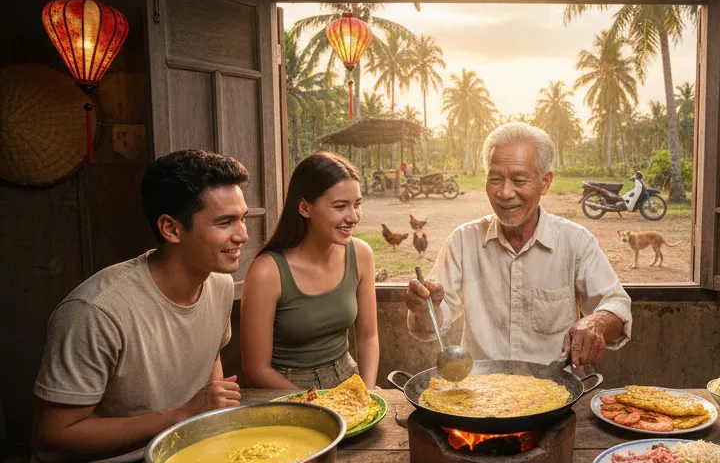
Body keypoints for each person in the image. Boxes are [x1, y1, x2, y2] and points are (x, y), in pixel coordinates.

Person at [31, 149, 249, 463]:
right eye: (225, 222)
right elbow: (52, 441)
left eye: (242, 219)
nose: (243, 235)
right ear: (171, 229)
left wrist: (210, 412)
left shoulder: (219, 285)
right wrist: (181, 414)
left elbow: (210, 356)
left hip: (180, 455)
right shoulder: (97, 310)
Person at [405, 123, 632, 368]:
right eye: (495, 178)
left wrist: (597, 322)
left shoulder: (575, 241)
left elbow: (617, 304)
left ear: (545, 182)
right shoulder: (463, 241)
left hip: (555, 394)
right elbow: (432, 328)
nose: (504, 192)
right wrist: (426, 308)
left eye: (519, 179)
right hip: (480, 398)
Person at [240, 152, 379, 390]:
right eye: (340, 206)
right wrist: (316, 406)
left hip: (348, 379)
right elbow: (256, 370)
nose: (353, 217)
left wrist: (366, 394)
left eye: (357, 205)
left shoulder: (361, 254)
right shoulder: (267, 272)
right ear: (305, 207)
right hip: (287, 391)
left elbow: (368, 337)